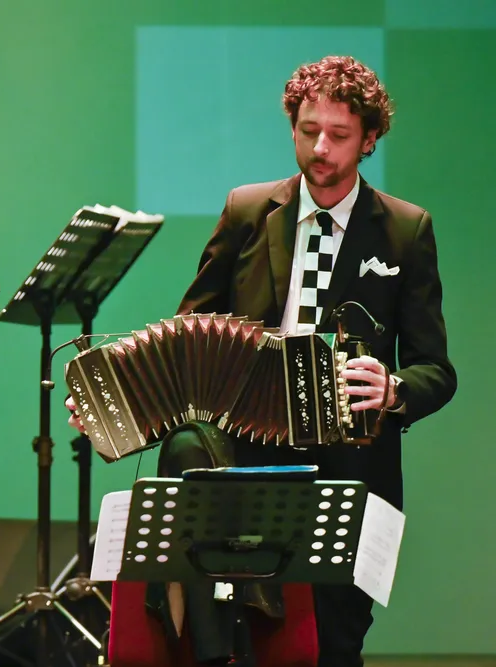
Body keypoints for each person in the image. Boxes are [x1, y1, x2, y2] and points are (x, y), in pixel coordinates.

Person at [67, 56, 456, 666]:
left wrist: (394, 388)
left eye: (339, 134)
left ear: (370, 138)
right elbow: (186, 340)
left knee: (332, 648)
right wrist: (114, 402)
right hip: (246, 460)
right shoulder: (248, 211)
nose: (320, 148)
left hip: (350, 470)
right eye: (308, 131)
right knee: (188, 450)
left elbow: (437, 369)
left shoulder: (405, 231)